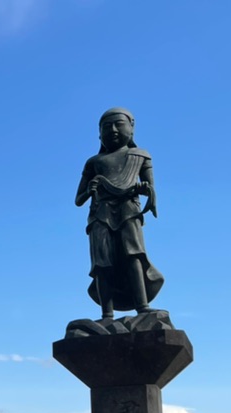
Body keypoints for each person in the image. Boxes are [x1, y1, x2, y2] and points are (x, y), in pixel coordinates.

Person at [74, 107, 164, 318]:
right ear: (99, 133)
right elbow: (78, 200)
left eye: (119, 124)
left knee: (133, 255)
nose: (113, 130)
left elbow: (150, 189)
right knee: (102, 262)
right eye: (107, 127)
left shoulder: (139, 156)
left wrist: (144, 189)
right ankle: (107, 315)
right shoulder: (94, 162)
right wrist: (90, 190)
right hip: (100, 214)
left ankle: (142, 306)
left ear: (131, 128)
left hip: (128, 210)